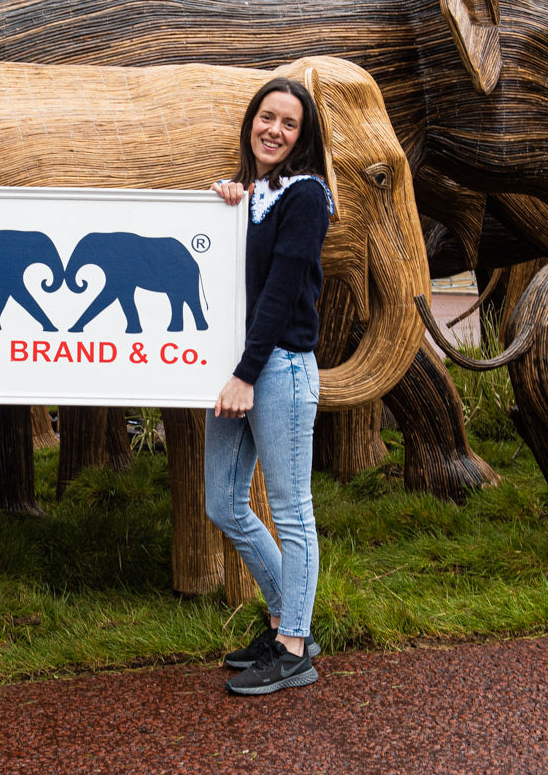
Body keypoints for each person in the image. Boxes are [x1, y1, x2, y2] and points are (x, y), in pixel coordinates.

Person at [206, 77, 332, 696]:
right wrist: (223, 204)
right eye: (267, 117)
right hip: (236, 372)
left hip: (275, 368)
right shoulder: (250, 193)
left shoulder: (306, 196)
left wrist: (245, 376)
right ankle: (289, 618)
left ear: (303, 139)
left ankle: (293, 649)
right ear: (250, 120)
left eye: (289, 123)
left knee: (291, 510)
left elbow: (281, 294)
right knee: (223, 504)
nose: (274, 130)